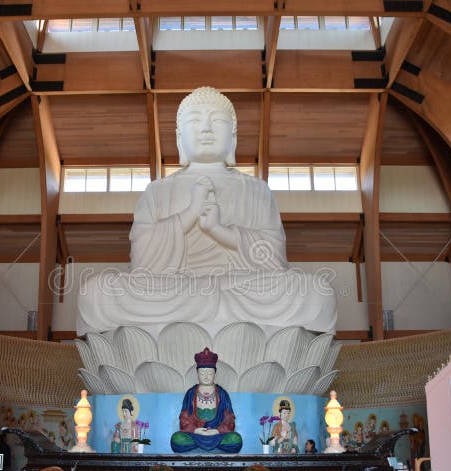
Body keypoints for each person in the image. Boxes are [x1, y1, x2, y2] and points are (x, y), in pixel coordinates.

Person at [77, 86, 337, 337]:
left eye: (217, 121)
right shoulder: (157, 191)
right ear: (179, 138)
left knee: (316, 292)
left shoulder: (257, 190)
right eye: (195, 121)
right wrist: (188, 216)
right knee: (95, 293)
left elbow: (274, 263)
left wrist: (220, 231)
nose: (205, 129)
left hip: (242, 288)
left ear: (233, 137)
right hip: (172, 291)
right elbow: (142, 264)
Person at [171, 348, 242, 453]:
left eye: (209, 373)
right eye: (202, 373)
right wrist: (196, 430)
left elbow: (229, 419)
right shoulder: (191, 393)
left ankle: (211, 444)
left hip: (217, 435)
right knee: (177, 439)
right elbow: (184, 418)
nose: (206, 376)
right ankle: (205, 444)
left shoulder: (222, 393)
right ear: (197, 374)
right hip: (196, 435)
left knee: (235, 439)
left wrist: (217, 431)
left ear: (215, 374)